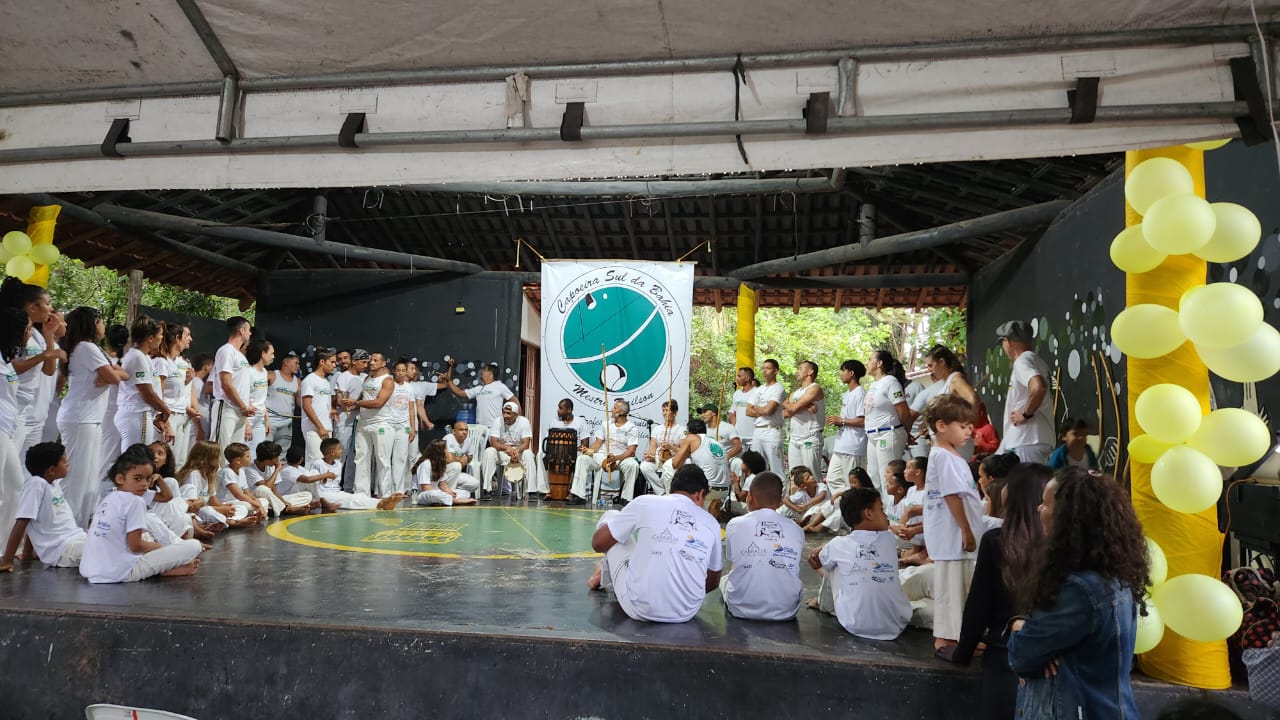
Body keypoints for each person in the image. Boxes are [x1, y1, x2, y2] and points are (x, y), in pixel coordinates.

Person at [1007, 467, 1148, 719]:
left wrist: (1020, 627)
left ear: (1068, 518)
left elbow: (1022, 656)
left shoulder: (1078, 590)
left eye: (1045, 504)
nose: (1040, 510)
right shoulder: (1114, 579)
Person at [946, 463, 1051, 720]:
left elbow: (979, 604)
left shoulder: (997, 540)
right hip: (1047, 660)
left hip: (1003, 655)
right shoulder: (1064, 545)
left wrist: (962, 653)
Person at [587, 464, 723, 623]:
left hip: (638, 607)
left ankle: (603, 572)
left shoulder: (646, 502)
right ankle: (606, 571)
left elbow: (598, 544)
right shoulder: (711, 522)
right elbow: (713, 581)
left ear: (672, 488)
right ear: (700, 494)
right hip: (685, 613)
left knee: (611, 516)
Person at [80, 446, 202, 583]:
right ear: (120, 479)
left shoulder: (110, 498)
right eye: (138, 479)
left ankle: (166, 569)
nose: (144, 484)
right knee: (194, 546)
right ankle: (163, 570)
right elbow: (136, 546)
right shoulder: (135, 501)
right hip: (119, 573)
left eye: (148, 479)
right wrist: (162, 549)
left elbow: (167, 497)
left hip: (90, 571)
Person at [923, 394, 987, 654]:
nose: (969, 432)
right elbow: (951, 495)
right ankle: (947, 638)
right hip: (953, 535)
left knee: (960, 587)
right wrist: (965, 528)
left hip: (957, 535)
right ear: (941, 426)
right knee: (950, 587)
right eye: (962, 427)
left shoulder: (951, 456)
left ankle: (961, 634)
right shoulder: (944, 457)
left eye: (970, 427)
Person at [808, 487, 913, 640]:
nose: (886, 516)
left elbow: (817, 559)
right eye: (882, 510)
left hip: (854, 623)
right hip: (896, 623)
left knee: (832, 564)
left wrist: (821, 555)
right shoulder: (889, 540)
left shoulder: (838, 544)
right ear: (868, 514)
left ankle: (822, 603)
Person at [55, 307, 127, 530]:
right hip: (80, 419)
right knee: (76, 478)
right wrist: (110, 375)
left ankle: (80, 526)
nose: (103, 326)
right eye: (102, 321)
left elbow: (120, 374)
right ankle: (67, 527)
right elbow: (114, 377)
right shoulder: (86, 348)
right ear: (94, 323)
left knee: (88, 478)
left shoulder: (90, 348)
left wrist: (110, 375)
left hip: (88, 418)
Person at [721, 471, 804, 621]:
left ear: (749, 497)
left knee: (726, 578)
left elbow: (734, 561)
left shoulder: (735, 524)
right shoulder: (796, 529)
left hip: (741, 608)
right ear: (780, 502)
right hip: (786, 610)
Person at [0, 278, 64, 456]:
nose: (51, 309)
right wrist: (44, 355)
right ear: (32, 307)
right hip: (13, 403)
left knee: (23, 469)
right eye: (48, 303)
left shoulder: (37, 333)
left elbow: (49, 370)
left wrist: (50, 336)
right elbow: (10, 367)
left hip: (32, 408)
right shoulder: (11, 330)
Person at [0, 442, 87, 572]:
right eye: (64, 462)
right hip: (63, 550)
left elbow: (33, 521)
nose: (68, 464)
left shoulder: (53, 484)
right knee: (110, 548)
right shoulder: (36, 484)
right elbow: (23, 522)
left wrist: (27, 554)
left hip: (76, 541)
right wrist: (7, 560)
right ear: (52, 470)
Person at [996, 320, 1055, 464]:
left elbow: (1038, 387)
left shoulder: (1022, 361)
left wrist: (1025, 414)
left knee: (1026, 486)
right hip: (1031, 439)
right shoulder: (1037, 361)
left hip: (1026, 440)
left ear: (1008, 341)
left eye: (1002, 342)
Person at [567, 399, 640, 506]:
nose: (611, 410)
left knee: (633, 465)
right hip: (602, 456)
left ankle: (626, 498)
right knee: (582, 458)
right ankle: (579, 496)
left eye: (615, 408)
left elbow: (631, 451)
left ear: (622, 413)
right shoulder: (606, 424)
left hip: (621, 458)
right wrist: (587, 451)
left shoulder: (631, 428)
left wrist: (616, 458)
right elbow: (597, 444)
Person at [114, 315, 171, 450]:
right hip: (138, 414)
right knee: (137, 458)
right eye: (160, 335)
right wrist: (165, 409)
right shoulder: (138, 357)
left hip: (137, 414)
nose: (162, 338)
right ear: (150, 338)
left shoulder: (142, 357)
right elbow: (147, 393)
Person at [0, 307, 31, 540]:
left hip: (6, 429)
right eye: (28, 328)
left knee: (15, 486)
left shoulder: (6, 358)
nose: (30, 332)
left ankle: (3, 543)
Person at [177, 440, 256, 529]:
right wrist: (219, 509)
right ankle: (233, 522)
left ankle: (218, 522)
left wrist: (225, 507)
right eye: (217, 456)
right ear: (208, 458)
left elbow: (213, 501)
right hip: (195, 512)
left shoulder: (209, 475)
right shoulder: (194, 474)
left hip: (208, 509)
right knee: (207, 511)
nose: (220, 459)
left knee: (241, 508)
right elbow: (193, 507)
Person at [309, 437, 403, 511]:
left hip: (337, 492)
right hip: (325, 494)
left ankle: (382, 502)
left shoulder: (338, 464)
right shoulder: (318, 464)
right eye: (339, 449)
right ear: (332, 452)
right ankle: (382, 503)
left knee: (356, 496)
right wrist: (325, 476)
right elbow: (312, 484)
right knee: (351, 501)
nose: (341, 451)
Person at [864, 350, 910, 494]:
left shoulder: (891, 382)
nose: (867, 362)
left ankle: (893, 512)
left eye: (870, 359)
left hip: (887, 433)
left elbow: (903, 410)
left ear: (879, 363)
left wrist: (906, 432)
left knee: (888, 477)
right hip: (872, 436)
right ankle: (880, 510)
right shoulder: (874, 385)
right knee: (874, 477)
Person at [444, 361, 513, 458]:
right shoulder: (478, 389)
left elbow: (513, 400)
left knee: (496, 453)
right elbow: (460, 392)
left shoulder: (500, 386)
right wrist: (449, 381)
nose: (481, 373)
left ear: (490, 373)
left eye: (484, 371)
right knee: (477, 454)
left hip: (495, 427)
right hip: (480, 428)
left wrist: (517, 418)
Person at [353, 351, 395, 497]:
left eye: (376, 360)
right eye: (371, 360)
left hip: (381, 424)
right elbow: (363, 397)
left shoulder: (387, 380)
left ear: (383, 363)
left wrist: (357, 403)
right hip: (363, 423)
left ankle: (385, 495)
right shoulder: (367, 378)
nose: (371, 362)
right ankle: (361, 494)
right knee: (361, 458)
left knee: (382, 461)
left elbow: (378, 402)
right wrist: (352, 404)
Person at [825, 359, 867, 506]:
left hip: (853, 445)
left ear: (851, 373)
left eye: (843, 370)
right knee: (832, 478)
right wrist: (840, 422)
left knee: (852, 482)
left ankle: (853, 512)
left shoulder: (860, 393)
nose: (840, 374)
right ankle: (843, 506)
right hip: (841, 443)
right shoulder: (847, 394)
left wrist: (842, 421)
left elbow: (863, 421)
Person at [212, 316, 255, 456]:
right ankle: (214, 478)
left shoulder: (241, 357)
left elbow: (242, 386)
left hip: (240, 411)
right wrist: (243, 406)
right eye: (248, 330)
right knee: (219, 450)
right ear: (241, 331)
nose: (250, 333)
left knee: (235, 455)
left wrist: (245, 408)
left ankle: (230, 478)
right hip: (227, 408)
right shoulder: (226, 351)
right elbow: (226, 383)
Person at [156, 323, 194, 469]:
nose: (190, 339)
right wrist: (165, 422)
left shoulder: (174, 363)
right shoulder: (162, 362)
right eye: (186, 336)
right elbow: (159, 394)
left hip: (180, 413)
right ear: (176, 339)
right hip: (168, 416)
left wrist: (186, 381)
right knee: (165, 460)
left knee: (178, 461)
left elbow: (174, 389)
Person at [242, 441, 315, 517]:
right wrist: (277, 470)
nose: (278, 460)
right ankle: (286, 510)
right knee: (262, 489)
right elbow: (266, 487)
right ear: (267, 460)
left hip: (272, 499)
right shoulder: (250, 469)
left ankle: (282, 508)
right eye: (276, 458)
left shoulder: (270, 466)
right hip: (257, 498)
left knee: (307, 495)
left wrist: (284, 502)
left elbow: (274, 489)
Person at [479, 401, 536, 498]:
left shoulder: (523, 421)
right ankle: (487, 489)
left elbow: (526, 444)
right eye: (504, 412)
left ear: (516, 414)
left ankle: (532, 491)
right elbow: (493, 442)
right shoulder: (498, 421)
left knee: (528, 454)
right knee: (489, 451)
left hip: (519, 451)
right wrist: (506, 447)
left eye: (508, 413)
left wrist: (516, 451)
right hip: (502, 451)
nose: (505, 415)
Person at [669, 418, 729, 510]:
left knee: (668, 466)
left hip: (707, 489)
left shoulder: (691, 438)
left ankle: (672, 503)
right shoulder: (716, 443)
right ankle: (710, 505)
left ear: (689, 432)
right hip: (724, 489)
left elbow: (675, 463)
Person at [535, 398, 588, 498]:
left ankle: (573, 492)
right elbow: (548, 439)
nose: (558, 410)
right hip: (555, 452)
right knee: (539, 455)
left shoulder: (580, 422)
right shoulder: (554, 421)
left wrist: (573, 449)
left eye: (561, 408)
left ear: (569, 410)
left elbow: (585, 444)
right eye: (558, 407)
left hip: (574, 452)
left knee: (581, 457)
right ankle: (545, 490)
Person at [783, 360, 826, 476]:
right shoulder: (795, 393)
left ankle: (819, 495)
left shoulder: (814, 388)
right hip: (795, 437)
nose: (798, 371)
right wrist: (806, 406)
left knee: (811, 475)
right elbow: (786, 414)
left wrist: (786, 402)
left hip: (810, 436)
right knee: (795, 476)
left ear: (810, 371)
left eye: (801, 368)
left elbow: (792, 408)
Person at [743, 359, 786, 473]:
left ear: (775, 371)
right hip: (757, 430)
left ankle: (780, 490)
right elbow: (748, 411)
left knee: (776, 466)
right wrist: (763, 409)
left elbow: (769, 410)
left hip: (771, 430)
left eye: (768, 368)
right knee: (757, 466)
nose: (764, 371)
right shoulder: (758, 389)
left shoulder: (778, 387)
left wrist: (758, 409)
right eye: (763, 368)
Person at [639, 399, 687, 496]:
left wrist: (670, 447)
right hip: (658, 460)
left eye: (667, 410)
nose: (664, 413)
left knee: (668, 466)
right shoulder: (657, 429)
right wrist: (649, 455)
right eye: (663, 410)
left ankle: (671, 494)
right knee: (644, 466)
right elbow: (652, 448)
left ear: (675, 413)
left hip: (673, 461)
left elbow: (683, 451)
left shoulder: (682, 430)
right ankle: (662, 493)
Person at [411, 440, 478, 506]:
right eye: (446, 448)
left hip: (437, 492)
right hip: (423, 494)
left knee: (465, 493)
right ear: (439, 451)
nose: (447, 451)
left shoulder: (439, 463)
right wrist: (443, 494)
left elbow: (442, 484)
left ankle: (445, 500)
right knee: (433, 494)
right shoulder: (426, 463)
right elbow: (425, 487)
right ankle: (454, 501)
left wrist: (449, 492)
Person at [300, 350, 338, 466]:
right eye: (331, 362)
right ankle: (310, 484)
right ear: (322, 362)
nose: (334, 365)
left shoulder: (326, 382)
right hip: (313, 428)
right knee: (315, 461)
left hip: (326, 427)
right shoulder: (310, 380)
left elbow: (321, 403)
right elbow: (306, 405)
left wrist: (331, 411)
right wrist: (320, 427)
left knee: (325, 462)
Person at [387, 359, 418, 495]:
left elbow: (411, 408)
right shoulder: (388, 384)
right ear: (394, 371)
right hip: (388, 424)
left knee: (400, 458)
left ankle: (398, 490)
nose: (400, 373)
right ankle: (385, 490)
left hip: (403, 426)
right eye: (398, 370)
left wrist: (412, 427)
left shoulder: (409, 387)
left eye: (403, 371)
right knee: (386, 458)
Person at [216, 443, 268, 522]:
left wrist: (258, 503)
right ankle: (232, 521)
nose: (250, 459)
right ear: (238, 460)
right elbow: (238, 495)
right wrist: (258, 505)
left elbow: (247, 492)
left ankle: (254, 516)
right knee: (245, 506)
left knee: (263, 501)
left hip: (237, 501)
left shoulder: (241, 470)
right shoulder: (227, 472)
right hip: (226, 502)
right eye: (247, 456)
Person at [266, 350, 301, 452]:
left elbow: (299, 402)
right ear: (286, 363)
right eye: (296, 363)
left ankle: (279, 468)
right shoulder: (272, 375)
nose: (298, 366)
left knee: (282, 453)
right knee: (265, 451)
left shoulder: (297, 381)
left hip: (286, 423)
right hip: (270, 421)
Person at [243, 338, 273, 453]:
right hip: (248, 417)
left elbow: (262, 398)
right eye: (271, 353)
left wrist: (266, 419)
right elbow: (243, 396)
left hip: (260, 418)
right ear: (263, 353)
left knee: (258, 453)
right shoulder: (248, 371)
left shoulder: (265, 372)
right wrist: (246, 424)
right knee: (244, 452)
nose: (273, 357)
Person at [699, 404, 742, 481]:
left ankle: (736, 490)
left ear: (714, 413)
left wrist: (726, 457)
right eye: (701, 413)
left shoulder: (728, 427)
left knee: (738, 462)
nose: (702, 415)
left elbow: (738, 446)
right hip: (708, 460)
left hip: (727, 458)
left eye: (705, 412)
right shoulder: (702, 429)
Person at [729, 367, 759, 458]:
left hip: (755, 436)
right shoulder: (737, 394)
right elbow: (732, 413)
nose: (737, 378)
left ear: (747, 378)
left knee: (756, 464)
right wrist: (734, 429)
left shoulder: (757, 393)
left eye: (739, 376)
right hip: (739, 436)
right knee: (740, 463)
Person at [727, 450, 767, 517]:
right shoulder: (758, 476)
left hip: (755, 510)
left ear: (748, 466)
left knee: (728, 503)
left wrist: (735, 482)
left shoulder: (751, 478)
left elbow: (740, 498)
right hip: (762, 508)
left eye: (743, 463)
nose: (741, 464)